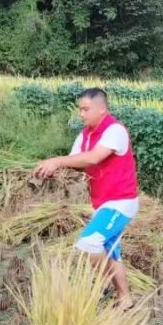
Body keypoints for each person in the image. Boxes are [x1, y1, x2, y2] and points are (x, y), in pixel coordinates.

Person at [34, 88, 138, 311]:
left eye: (85, 109)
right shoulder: (85, 135)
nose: (81, 114)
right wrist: (54, 168)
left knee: (89, 242)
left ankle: (101, 287)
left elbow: (93, 157)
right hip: (102, 204)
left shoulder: (115, 130)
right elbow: (74, 161)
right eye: (79, 109)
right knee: (111, 252)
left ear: (101, 109)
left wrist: (56, 161)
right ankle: (125, 299)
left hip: (120, 202)